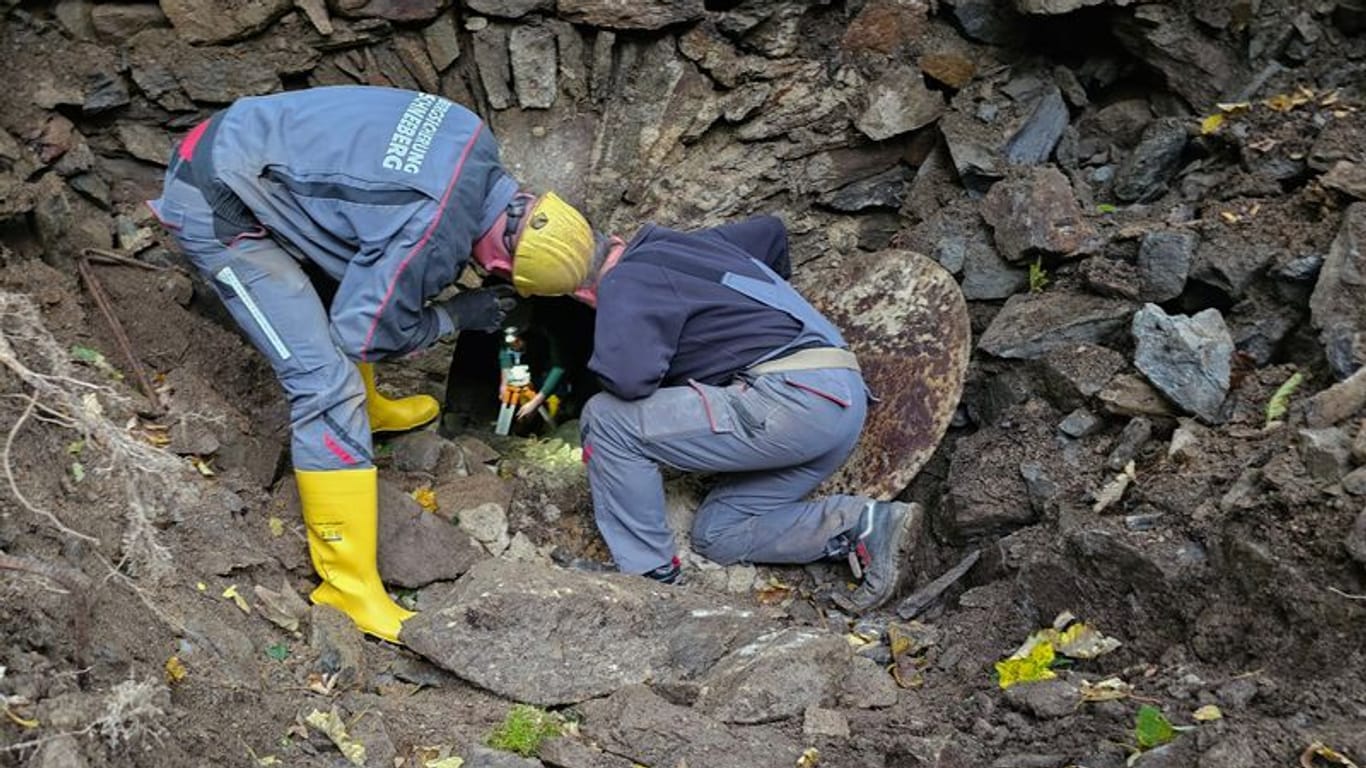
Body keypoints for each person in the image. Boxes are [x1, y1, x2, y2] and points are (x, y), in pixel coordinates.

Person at [147, 86, 595, 643]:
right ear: (504, 262)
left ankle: (373, 412)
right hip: (219, 201)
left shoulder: (473, 135)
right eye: (504, 276)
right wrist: (458, 315)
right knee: (325, 386)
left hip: (250, 142)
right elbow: (363, 335)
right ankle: (348, 587)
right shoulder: (431, 232)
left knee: (363, 273)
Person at [574, 215, 919, 615]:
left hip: (790, 400)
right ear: (613, 238)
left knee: (607, 419)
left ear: (584, 295)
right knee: (718, 534)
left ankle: (650, 580)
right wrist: (744, 326)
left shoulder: (623, 281)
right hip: (838, 401)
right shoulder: (685, 245)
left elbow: (628, 382)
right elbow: (771, 231)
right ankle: (865, 523)